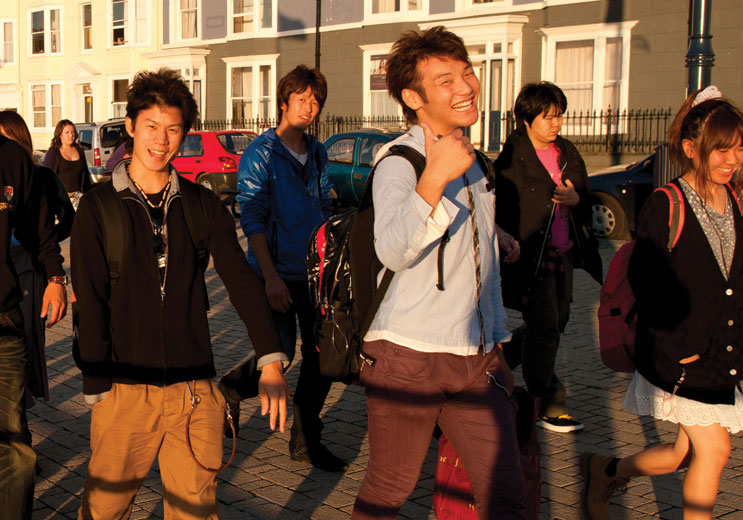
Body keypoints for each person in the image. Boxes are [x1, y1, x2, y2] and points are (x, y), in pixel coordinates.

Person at [70, 68, 289, 519]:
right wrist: (97, 386)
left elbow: (241, 281)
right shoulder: (99, 207)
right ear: (130, 127)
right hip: (124, 391)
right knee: (105, 510)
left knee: (195, 512)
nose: (161, 140)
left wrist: (270, 357)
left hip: (193, 392)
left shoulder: (202, 204)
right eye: (151, 126)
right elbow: (89, 299)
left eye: (173, 129)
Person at [352, 26, 526, 519]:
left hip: (475, 358)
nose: (467, 87)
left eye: (467, 72)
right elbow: (392, 248)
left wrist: (495, 339)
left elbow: (472, 250)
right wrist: (434, 176)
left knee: (506, 491)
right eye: (445, 79)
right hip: (408, 357)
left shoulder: (474, 161)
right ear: (413, 97)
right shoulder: (400, 162)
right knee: (390, 488)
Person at [580, 92, 743, 520]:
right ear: (691, 149)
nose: (732, 158)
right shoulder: (667, 203)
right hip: (678, 356)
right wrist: (682, 350)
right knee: (714, 451)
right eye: (721, 148)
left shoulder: (733, 199)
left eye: (739, 146)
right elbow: (649, 286)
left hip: (721, 355)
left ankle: (606, 471)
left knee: (685, 452)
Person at [226, 64, 343, 471]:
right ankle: (230, 390)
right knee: (279, 355)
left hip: (313, 273)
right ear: (284, 102)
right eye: (302, 99)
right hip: (273, 273)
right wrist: (271, 276)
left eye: (316, 101)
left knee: (322, 359)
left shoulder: (318, 151)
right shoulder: (262, 153)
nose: (309, 107)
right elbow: (252, 215)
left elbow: (325, 207)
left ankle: (305, 439)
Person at [494, 82, 601, 433]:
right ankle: (548, 401)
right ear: (526, 118)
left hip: (564, 253)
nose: (555, 124)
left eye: (559, 116)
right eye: (548, 117)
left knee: (556, 324)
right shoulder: (511, 159)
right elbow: (500, 209)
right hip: (529, 257)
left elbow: (585, 195)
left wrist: (576, 200)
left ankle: (502, 359)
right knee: (544, 327)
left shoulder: (567, 151)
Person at [0, 125, 67, 518]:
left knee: (14, 447)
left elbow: (41, 229)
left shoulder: (11, 159)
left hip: (5, 319)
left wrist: (56, 279)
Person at [43, 119, 92, 210]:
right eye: (67, 132)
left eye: (73, 132)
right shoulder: (54, 152)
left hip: (79, 198)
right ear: (60, 134)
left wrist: (88, 195)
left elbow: (85, 177)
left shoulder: (80, 150)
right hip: (61, 200)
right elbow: (46, 178)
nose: (71, 135)